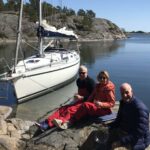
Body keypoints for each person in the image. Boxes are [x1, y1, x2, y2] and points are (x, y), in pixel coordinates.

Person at [35, 65, 95, 131]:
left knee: (70, 110)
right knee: (62, 108)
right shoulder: (78, 81)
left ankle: (59, 122)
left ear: (87, 73)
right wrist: (77, 95)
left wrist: (82, 97)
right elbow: (80, 92)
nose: (81, 74)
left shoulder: (91, 82)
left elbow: (94, 97)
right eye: (80, 73)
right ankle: (45, 123)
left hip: (86, 102)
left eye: (83, 73)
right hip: (80, 100)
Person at [107, 83, 150, 150]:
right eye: (122, 93)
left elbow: (139, 133)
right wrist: (108, 126)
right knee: (104, 135)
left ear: (132, 92)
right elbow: (119, 120)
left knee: (115, 147)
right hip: (126, 132)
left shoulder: (140, 108)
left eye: (127, 92)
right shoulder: (124, 103)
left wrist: (120, 142)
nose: (124, 95)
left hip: (138, 141)